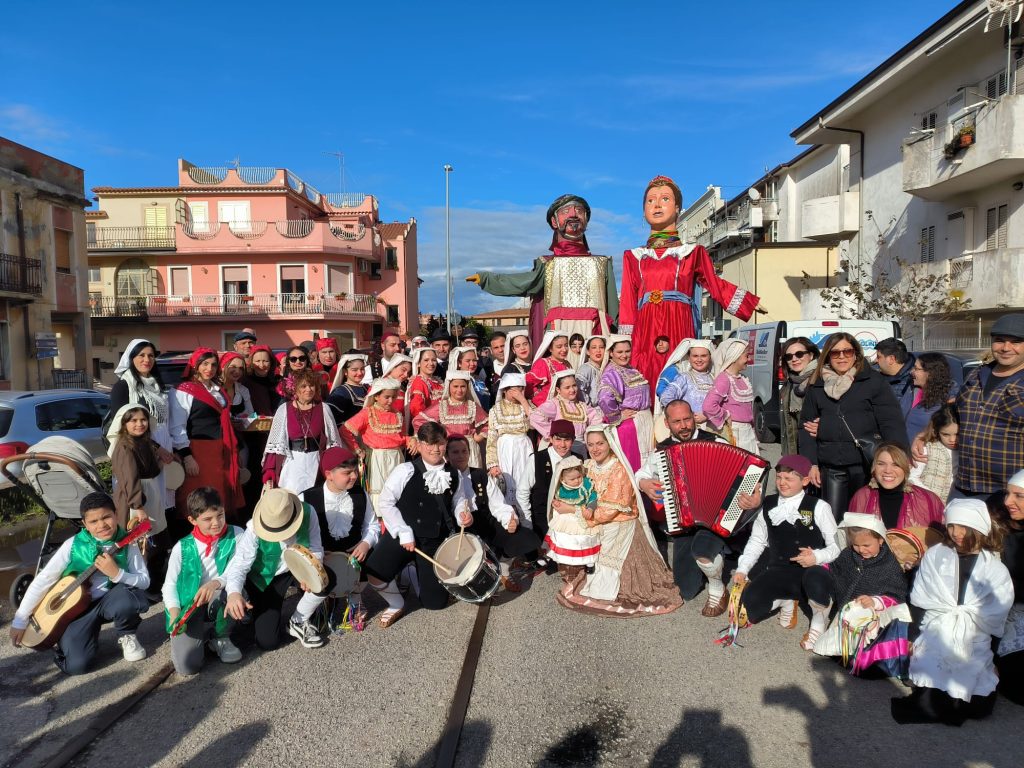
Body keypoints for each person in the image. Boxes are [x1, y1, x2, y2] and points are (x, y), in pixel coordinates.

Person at [618, 176, 763, 396]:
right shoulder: (634, 256)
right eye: (650, 200)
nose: (656, 205)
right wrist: (625, 342)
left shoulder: (692, 253)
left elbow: (714, 283)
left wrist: (749, 302)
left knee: (681, 372)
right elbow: (628, 302)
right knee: (645, 374)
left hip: (679, 321)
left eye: (664, 199)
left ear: (677, 208)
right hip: (646, 328)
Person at [891, 499, 1013, 725]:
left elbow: (996, 619)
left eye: (964, 527)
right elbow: (920, 599)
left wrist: (993, 659)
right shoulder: (936, 556)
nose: (956, 533)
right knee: (934, 694)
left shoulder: (996, 570)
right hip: (936, 629)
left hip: (974, 636)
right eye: (952, 526)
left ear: (979, 528)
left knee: (978, 705)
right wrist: (912, 636)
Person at [9, 492, 149, 674]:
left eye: (106, 517)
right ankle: (73, 641)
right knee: (76, 666)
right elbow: (44, 579)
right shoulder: (73, 545)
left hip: (111, 600)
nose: (101, 525)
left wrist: (118, 574)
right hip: (75, 610)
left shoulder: (127, 543)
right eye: (93, 521)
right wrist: (20, 620)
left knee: (127, 597)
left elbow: (144, 581)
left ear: (116, 514)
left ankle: (127, 634)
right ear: (85, 524)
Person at [556, 426, 683, 617]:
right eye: (590, 445)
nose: (595, 449)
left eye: (600, 443)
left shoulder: (619, 470)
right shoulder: (589, 466)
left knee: (605, 571)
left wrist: (574, 510)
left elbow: (610, 511)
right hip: (597, 519)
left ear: (610, 444)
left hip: (620, 522)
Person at [466, 194, 618, 348]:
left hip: (597, 337)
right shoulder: (547, 263)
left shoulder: (603, 263)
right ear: (554, 221)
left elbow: (614, 309)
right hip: (558, 334)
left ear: (586, 219)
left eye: (579, 210)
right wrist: (487, 279)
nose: (573, 214)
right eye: (565, 211)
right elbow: (524, 282)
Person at [362, 423, 473, 625]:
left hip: (433, 541)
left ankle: (410, 572)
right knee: (375, 572)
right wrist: (403, 531)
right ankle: (396, 603)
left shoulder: (455, 473)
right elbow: (386, 502)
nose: (435, 449)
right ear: (420, 445)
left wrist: (462, 515)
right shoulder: (405, 470)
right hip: (403, 536)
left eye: (440, 443)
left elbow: (458, 501)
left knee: (435, 603)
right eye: (429, 444)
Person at [733, 454, 839, 649]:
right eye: (779, 477)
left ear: (805, 481)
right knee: (748, 607)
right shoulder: (768, 504)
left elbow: (836, 546)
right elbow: (757, 541)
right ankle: (786, 600)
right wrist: (743, 569)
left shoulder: (819, 507)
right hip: (778, 570)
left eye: (789, 478)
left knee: (816, 582)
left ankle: (818, 623)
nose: (782, 483)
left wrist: (817, 556)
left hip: (810, 570)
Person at [913, 314, 1024, 501]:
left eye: (1016, 342)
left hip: (1008, 490)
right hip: (964, 484)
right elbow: (952, 408)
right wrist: (924, 434)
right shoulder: (976, 375)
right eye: (999, 340)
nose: (1006, 348)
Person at [799, 332, 907, 520]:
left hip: (866, 464)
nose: (841, 357)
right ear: (827, 356)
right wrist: (811, 463)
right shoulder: (817, 384)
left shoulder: (873, 381)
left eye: (847, 352)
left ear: (856, 354)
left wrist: (900, 457)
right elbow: (805, 427)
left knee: (864, 519)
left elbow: (891, 422)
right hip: (831, 465)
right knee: (834, 520)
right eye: (835, 353)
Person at [636, 399, 727, 603]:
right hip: (684, 523)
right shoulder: (662, 451)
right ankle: (706, 559)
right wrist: (644, 483)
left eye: (687, 419)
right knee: (686, 590)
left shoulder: (716, 442)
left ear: (694, 417)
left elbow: (744, 474)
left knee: (704, 550)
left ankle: (716, 576)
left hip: (716, 519)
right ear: (667, 423)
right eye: (676, 421)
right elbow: (642, 473)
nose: (683, 426)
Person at [224, 488, 332, 650]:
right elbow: (240, 563)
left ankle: (298, 621)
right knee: (268, 642)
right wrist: (233, 593)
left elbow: (316, 547)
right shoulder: (254, 527)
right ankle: (251, 604)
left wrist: (309, 574)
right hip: (266, 578)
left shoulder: (309, 512)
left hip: (297, 568)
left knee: (325, 577)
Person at [812, 513, 911, 677]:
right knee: (840, 647)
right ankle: (841, 651)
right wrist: (818, 572)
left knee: (863, 656)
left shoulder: (889, 566)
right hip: (848, 614)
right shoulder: (849, 555)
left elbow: (897, 595)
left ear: (880, 540)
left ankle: (862, 657)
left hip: (873, 619)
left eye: (866, 545)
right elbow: (835, 569)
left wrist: (875, 601)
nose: (861, 549)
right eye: (856, 545)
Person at [163, 487, 244, 675]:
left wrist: (215, 583)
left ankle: (221, 636)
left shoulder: (237, 534)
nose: (216, 523)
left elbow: (238, 569)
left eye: (220, 515)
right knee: (188, 667)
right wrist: (175, 613)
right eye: (208, 519)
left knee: (233, 591)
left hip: (218, 594)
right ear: (192, 520)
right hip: (189, 604)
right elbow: (169, 585)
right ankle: (195, 635)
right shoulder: (181, 547)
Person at [448, 435, 541, 593]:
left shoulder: (480, 475)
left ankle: (504, 566)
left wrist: (509, 520)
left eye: (464, 451)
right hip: (461, 528)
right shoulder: (444, 477)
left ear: (470, 453)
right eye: (455, 452)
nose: (460, 455)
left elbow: (498, 504)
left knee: (525, 538)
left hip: (485, 520)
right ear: (447, 455)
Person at [303, 446, 381, 630]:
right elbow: (298, 538)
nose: (354, 476)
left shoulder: (360, 494)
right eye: (347, 473)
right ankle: (325, 600)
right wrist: (311, 559)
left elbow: (372, 526)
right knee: (318, 624)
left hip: (354, 556)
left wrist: (365, 543)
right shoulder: (307, 497)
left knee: (376, 555)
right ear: (329, 474)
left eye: (355, 471)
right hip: (322, 560)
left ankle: (355, 597)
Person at [171, 348, 241, 516]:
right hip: (198, 450)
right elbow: (177, 426)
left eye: (213, 365)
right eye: (204, 364)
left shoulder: (217, 389)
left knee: (218, 494)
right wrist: (187, 456)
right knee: (198, 496)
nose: (209, 368)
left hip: (220, 448)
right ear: (195, 365)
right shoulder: (183, 390)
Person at [110, 338, 175, 510]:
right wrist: (156, 447)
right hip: (139, 450)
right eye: (141, 355)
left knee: (161, 503)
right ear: (131, 358)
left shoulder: (157, 385)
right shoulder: (123, 386)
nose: (147, 360)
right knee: (142, 502)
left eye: (151, 355)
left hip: (163, 448)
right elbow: (121, 426)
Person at [262, 369, 343, 496]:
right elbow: (275, 441)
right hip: (292, 463)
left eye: (312, 385)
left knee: (314, 498)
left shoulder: (323, 408)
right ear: (295, 388)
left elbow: (333, 441)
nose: (308, 389)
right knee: (291, 499)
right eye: (303, 386)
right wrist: (270, 469)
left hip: (316, 462)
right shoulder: (284, 409)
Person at [848, 444, 945, 547]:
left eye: (896, 465)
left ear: (907, 467)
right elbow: (852, 539)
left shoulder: (928, 499)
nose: (888, 470)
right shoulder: (862, 496)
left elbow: (942, 542)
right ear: (874, 467)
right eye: (881, 464)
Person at [341, 378, 414, 509]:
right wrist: (357, 449)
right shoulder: (368, 413)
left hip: (396, 458)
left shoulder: (397, 415)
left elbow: (400, 438)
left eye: (393, 397)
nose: (390, 401)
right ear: (376, 396)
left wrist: (411, 440)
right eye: (387, 397)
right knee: (378, 493)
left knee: (396, 490)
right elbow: (345, 430)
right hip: (377, 459)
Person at [107, 404, 168, 532]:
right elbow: (129, 479)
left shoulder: (143, 441)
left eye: (143, 420)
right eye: (134, 420)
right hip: (135, 499)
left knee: (153, 534)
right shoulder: (124, 447)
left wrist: (162, 460)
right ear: (124, 424)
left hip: (149, 494)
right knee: (138, 536)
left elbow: (150, 471)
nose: (139, 424)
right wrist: (138, 507)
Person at [598, 335, 654, 471]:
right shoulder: (612, 372)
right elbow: (604, 398)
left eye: (627, 351)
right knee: (635, 465)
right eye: (620, 352)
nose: (624, 355)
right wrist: (617, 416)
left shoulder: (629, 368)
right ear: (611, 353)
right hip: (631, 426)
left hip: (644, 422)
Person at [486, 373, 535, 527]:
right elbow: (491, 437)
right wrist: (492, 463)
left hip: (524, 448)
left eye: (521, 388)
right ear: (505, 390)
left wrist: (523, 400)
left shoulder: (527, 405)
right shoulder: (495, 410)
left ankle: (527, 524)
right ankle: (510, 522)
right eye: (514, 389)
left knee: (525, 485)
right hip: (505, 449)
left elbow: (535, 423)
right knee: (507, 486)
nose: (518, 392)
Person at [525, 419, 584, 545]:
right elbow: (522, 492)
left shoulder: (578, 459)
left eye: (567, 440)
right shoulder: (536, 459)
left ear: (573, 440)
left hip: (569, 520)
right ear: (551, 439)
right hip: (541, 520)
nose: (562, 445)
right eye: (558, 439)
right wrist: (527, 524)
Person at [414, 371, 488, 468]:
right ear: (449, 387)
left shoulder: (472, 406)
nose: (459, 390)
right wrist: (435, 437)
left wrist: (480, 436)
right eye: (455, 386)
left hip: (468, 448)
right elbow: (419, 421)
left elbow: (488, 422)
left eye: (463, 386)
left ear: (468, 387)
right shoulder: (441, 406)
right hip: (448, 448)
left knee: (470, 474)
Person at [994, 470, 1024, 705]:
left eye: (1018, 496)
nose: (1007, 501)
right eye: (1007, 494)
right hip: (1004, 612)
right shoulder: (1000, 528)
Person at [702, 338, 759, 454]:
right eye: (746, 356)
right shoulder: (724, 379)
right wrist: (726, 415)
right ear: (735, 357)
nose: (749, 359)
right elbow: (708, 406)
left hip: (747, 432)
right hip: (734, 433)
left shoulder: (743, 378)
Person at [545, 456, 600, 574]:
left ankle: (589, 561)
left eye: (579, 477)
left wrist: (590, 508)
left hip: (581, 515)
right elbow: (557, 500)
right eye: (572, 479)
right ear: (563, 479)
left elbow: (593, 497)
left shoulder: (586, 485)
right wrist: (556, 503)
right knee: (561, 536)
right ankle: (557, 556)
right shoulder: (561, 489)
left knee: (584, 539)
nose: (577, 481)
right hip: (565, 517)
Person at [530, 370, 603, 448]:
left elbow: (596, 419)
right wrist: (554, 434)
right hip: (561, 447)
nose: (572, 390)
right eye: (567, 387)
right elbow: (535, 417)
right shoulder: (554, 404)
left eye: (574, 385)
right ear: (558, 390)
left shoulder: (582, 406)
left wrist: (588, 436)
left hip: (580, 447)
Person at [656, 339, 716, 423]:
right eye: (695, 356)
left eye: (703, 356)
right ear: (689, 358)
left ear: (710, 357)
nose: (699, 360)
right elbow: (666, 397)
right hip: (690, 427)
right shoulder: (684, 378)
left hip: (715, 427)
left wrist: (709, 415)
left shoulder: (715, 378)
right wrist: (686, 415)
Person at [778, 337, 820, 456]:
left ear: (811, 355)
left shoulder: (822, 379)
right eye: (789, 356)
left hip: (818, 452)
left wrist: (825, 426)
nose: (794, 359)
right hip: (796, 452)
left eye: (799, 354)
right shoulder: (789, 384)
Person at [909, 405, 959, 501]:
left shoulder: (965, 452)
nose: (952, 440)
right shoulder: (927, 448)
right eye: (945, 434)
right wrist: (932, 496)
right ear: (936, 431)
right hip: (925, 502)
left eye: (957, 434)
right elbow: (912, 477)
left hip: (952, 504)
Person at [905, 352, 954, 445]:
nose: (911, 372)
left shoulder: (948, 398)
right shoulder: (911, 389)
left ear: (930, 373)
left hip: (925, 451)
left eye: (916, 368)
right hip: (904, 449)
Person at [875, 337, 916, 422]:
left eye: (879, 357)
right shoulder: (876, 375)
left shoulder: (913, 382)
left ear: (891, 359)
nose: (876, 360)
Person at [527, 331, 571, 406]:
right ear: (550, 348)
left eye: (566, 345)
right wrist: (538, 399)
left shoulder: (567, 364)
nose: (564, 349)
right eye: (559, 347)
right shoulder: (543, 363)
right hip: (547, 407)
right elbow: (528, 384)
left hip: (565, 406)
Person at [326, 353, 369, 425]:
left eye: (362, 369)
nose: (360, 373)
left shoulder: (367, 388)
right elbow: (331, 418)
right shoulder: (341, 392)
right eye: (354, 370)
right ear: (345, 372)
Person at [406, 348, 443, 425]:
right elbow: (417, 410)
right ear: (418, 363)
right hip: (429, 427)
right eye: (426, 360)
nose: (431, 363)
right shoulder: (419, 382)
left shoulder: (437, 381)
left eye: (434, 360)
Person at [243, 344, 282, 417]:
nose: (262, 365)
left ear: (271, 362)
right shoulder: (245, 382)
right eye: (257, 361)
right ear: (251, 362)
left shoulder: (278, 381)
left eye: (265, 361)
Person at [453, 346, 492, 411]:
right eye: (468, 361)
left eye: (474, 360)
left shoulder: (479, 381)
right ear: (459, 363)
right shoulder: (455, 382)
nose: (472, 364)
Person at [574, 335, 607, 407]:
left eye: (601, 347)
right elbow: (579, 391)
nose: (598, 350)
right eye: (594, 347)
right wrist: (590, 406)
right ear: (588, 352)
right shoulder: (585, 369)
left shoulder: (606, 368)